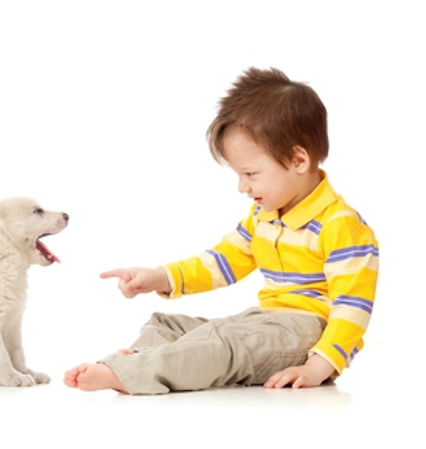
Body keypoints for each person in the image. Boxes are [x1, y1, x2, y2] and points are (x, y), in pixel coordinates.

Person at [64, 67, 379, 394]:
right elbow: (221, 262)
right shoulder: (263, 217)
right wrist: (161, 277)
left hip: (306, 335)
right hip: (263, 322)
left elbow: (353, 306)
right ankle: (142, 361)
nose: (243, 186)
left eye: (251, 174)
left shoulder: (340, 225)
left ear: (298, 160)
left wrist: (317, 366)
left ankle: (135, 372)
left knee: (220, 341)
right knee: (167, 324)